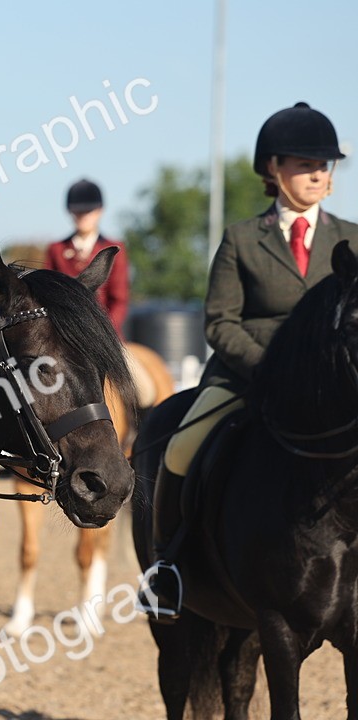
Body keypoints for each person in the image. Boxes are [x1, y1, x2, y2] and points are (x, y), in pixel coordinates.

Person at [139, 102, 358, 622]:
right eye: (306, 163)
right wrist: (272, 371)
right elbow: (220, 323)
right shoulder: (242, 238)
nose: (317, 174)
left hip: (334, 387)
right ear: (273, 169)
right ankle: (169, 566)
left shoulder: (352, 238)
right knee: (182, 447)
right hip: (247, 377)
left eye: (324, 165)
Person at [44, 179, 129, 337]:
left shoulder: (115, 248)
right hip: (65, 332)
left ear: (99, 211)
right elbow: (48, 294)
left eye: (88, 212)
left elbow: (119, 300)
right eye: (78, 212)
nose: (83, 217)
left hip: (105, 332)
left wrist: (103, 330)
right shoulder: (56, 249)